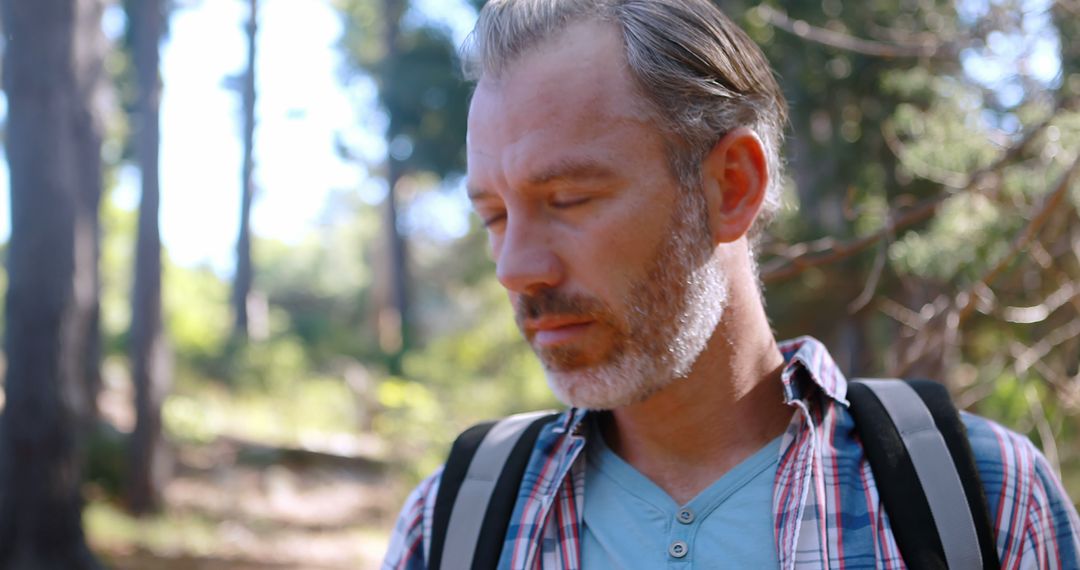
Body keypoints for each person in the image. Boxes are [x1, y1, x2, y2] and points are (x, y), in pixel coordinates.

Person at [382, 0, 1080, 567]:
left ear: (731, 187)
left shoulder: (982, 501)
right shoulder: (453, 525)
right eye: (495, 216)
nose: (515, 268)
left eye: (567, 199)